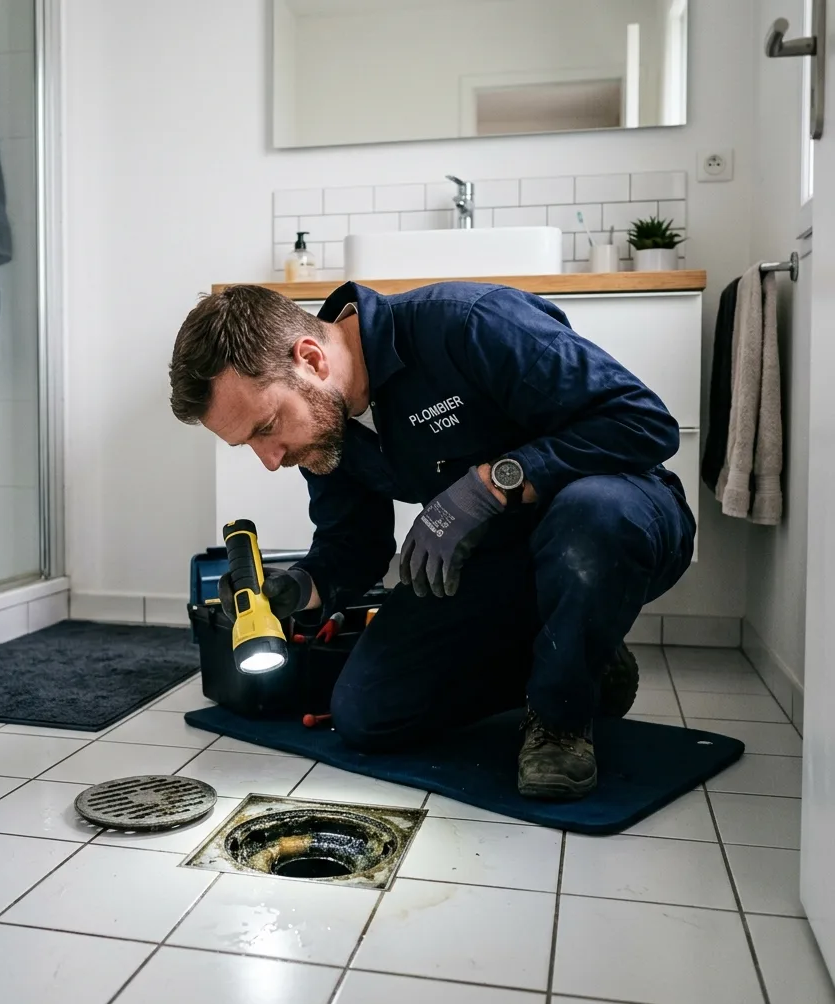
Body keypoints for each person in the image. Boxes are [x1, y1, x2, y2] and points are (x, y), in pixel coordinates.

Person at [169, 281, 695, 800]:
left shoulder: (470, 323)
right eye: (248, 444)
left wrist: (492, 484)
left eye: (266, 427)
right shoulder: (324, 426)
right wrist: (296, 587)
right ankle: (583, 660)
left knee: (590, 512)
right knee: (367, 710)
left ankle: (561, 716)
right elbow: (354, 544)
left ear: (311, 359)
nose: (270, 459)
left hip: (617, 518)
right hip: (500, 561)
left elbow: (643, 422)